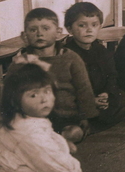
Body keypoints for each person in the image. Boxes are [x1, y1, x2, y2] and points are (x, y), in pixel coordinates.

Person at [8, 8, 99, 144]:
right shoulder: (20, 63)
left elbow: (83, 89)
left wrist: (86, 117)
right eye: (33, 30)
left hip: (65, 118)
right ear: (24, 35)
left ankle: (52, 141)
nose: (39, 34)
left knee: (73, 133)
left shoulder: (71, 58)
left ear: (57, 33)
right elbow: (9, 92)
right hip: (33, 119)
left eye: (46, 28)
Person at [63, 2, 125, 129]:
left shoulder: (101, 50)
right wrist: (90, 100)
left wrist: (107, 93)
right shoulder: (67, 54)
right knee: (70, 110)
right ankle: (97, 122)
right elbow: (67, 86)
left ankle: (108, 116)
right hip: (81, 98)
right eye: (82, 25)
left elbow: (111, 75)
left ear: (100, 26)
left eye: (94, 25)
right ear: (69, 29)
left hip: (101, 96)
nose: (89, 30)